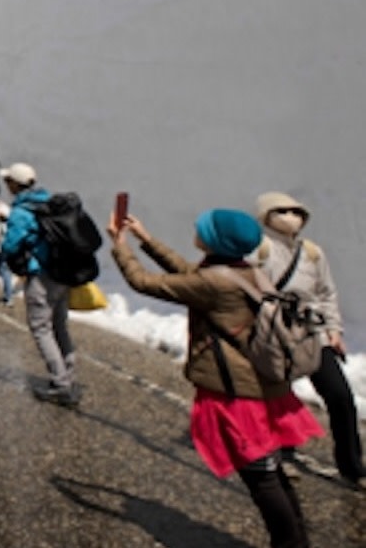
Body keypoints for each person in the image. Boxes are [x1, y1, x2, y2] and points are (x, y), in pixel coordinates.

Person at [111, 208, 323, 548]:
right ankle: (295, 541)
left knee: (262, 478)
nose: (196, 230)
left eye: (203, 229)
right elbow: (187, 273)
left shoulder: (215, 282)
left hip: (238, 395)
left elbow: (145, 282)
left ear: (217, 241)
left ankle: (289, 544)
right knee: (271, 472)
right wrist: (145, 239)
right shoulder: (243, 271)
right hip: (262, 385)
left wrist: (120, 245)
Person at [252, 192, 362, 486]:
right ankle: (282, 454)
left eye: (296, 211)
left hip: (311, 333)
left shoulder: (312, 252)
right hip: (274, 332)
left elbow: (326, 292)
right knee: (279, 395)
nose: (291, 217)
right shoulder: (258, 249)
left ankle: (353, 466)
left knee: (340, 396)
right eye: (281, 211)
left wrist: (334, 330)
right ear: (266, 215)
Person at [0, 162, 80, 406]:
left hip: (41, 276)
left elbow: (10, 245)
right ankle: (68, 374)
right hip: (62, 274)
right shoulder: (50, 202)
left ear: (15, 184)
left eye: (8, 181)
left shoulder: (21, 211)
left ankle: (60, 384)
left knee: (40, 328)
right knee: (60, 326)